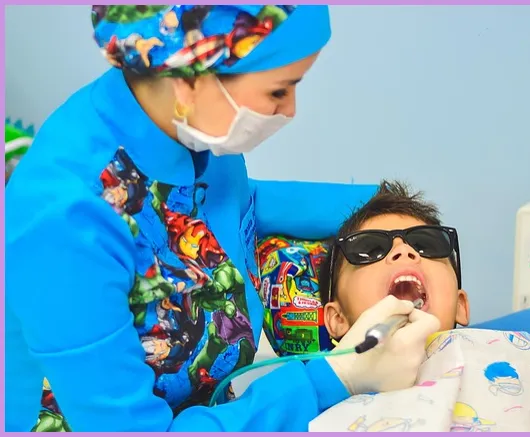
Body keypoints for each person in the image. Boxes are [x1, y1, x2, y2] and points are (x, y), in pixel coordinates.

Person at [4, 6, 438, 432]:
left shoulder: (186, 127)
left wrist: (389, 209)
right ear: (190, 77)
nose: (290, 110)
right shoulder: (66, 221)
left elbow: (223, 206)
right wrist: (337, 378)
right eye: (278, 91)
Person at [316, 180, 530, 432]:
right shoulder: (316, 402)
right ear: (337, 319)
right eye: (369, 249)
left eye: (427, 245)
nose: (403, 251)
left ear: (460, 305)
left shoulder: (519, 358)